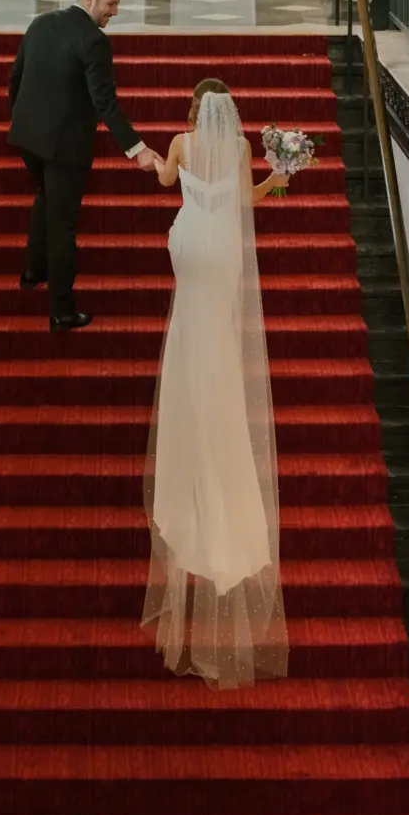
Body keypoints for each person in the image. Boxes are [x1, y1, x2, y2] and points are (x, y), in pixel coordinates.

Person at [142, 77, 289, 689]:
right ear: (231, 115)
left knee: (191, 319)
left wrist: (152, 157)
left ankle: (191, 398)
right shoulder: (238, 150)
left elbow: (167, 184)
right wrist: (278, 179)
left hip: (191, 247)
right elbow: (245, 203)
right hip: (223, 249)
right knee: (219, 330)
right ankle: (216, 385)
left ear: (193, 112)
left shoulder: (179, 142)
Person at [6, 0, 161, 333]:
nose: (115, 12)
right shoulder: (94, 41)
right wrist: (136, 149)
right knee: (63, 225)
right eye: (111, 4)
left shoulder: (40, 23)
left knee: (45, 197)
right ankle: (61, 310)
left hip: (28, 138)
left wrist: (23, 119)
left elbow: (15, 77)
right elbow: (105, 102)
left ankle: (33, 271)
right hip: (65, 147)